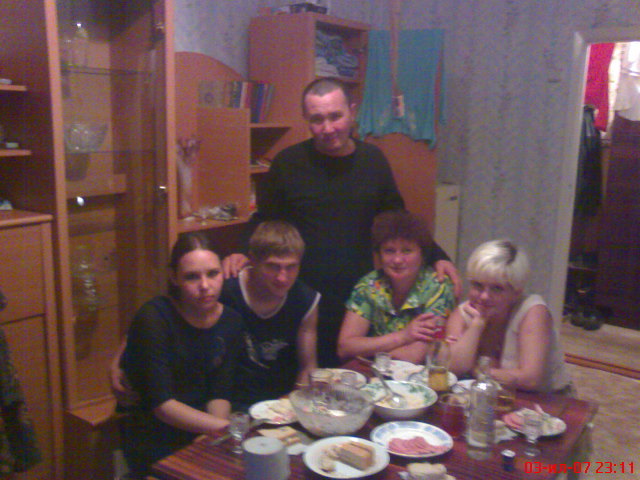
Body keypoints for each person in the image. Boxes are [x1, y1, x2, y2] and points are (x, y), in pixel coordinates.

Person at [223, 77, 460, 367]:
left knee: (351, 374)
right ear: (306, 119)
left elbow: (397, 220)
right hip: (300, 295)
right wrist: (241, 251)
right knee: (303, 374)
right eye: (317, 119)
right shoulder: (287, 163)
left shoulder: (372, 160)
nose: (328, 128)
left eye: (335, 116)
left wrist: (436, 255)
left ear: (352, 111)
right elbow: (265, 219)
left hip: (357, 298)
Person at [117, 232, 244, 478]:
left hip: (203, 426)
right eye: (192, 277)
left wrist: (213, 437)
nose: (205, 285)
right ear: (173, 277)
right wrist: (227, 429)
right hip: (153, 435)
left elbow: (220, 391)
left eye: (213, 273)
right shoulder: (154, 318)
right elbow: (162, 406)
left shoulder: (231, 320)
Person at [446, 239, 572, 393]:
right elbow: (453, 368)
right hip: (487, 395)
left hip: (546, 399)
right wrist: (478, 324)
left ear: (516, 292)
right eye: (478, 285)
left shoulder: (533, 311)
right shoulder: (463, 313)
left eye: (497, 288)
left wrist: (474, 369)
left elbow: (531, 379)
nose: (484, 296)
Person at [222, 220, 320, 410]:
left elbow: (308, 367)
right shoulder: (227, 291)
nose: (283, 277)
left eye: (291, 267)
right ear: (252, 260)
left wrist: (289, 408)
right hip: (230, 401)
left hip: (280, 401)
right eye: (273, 266)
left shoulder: (306, 300)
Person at [337, 210, 455, 364]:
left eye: (407, 251)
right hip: (373, 374)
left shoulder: (438, 286)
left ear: (422, 255)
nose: (398, 260)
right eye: (389, 251)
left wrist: (370, 351)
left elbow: (416, 354)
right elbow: (345, 347)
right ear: (379, 255)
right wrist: (403, 336)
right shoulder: (368, 285)